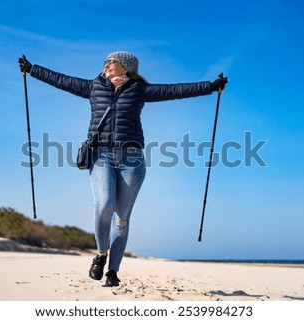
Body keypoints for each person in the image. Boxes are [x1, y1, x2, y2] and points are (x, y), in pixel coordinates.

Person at [18, 51, 227, 287]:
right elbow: (62, 80)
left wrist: (210, 86)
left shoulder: (140, 90)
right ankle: (100, 254)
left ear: (126, 67)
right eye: (106, 62)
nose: (106, 65)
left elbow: (176, 90)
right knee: (104, 204)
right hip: (101, 155)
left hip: (132, 160)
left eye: (112, 62)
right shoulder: (93, 87)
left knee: (122, 219)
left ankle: (113, 272)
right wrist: (32, 69)